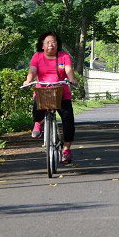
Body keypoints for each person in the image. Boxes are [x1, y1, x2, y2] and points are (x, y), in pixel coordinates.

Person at [24, 31, 78, 165]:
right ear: (42, 45)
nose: (51, 45)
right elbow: (32, 71)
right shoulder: (37, 56)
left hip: (61, 92)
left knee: (68, 121)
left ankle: (66, 150)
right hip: (42, 92)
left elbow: (68, 70)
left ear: (57, 44)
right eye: (47, 42)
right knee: (37, 112)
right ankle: (38, 123)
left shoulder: (63, 55)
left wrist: (72, 80)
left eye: (53, 42)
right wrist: (28, 81)